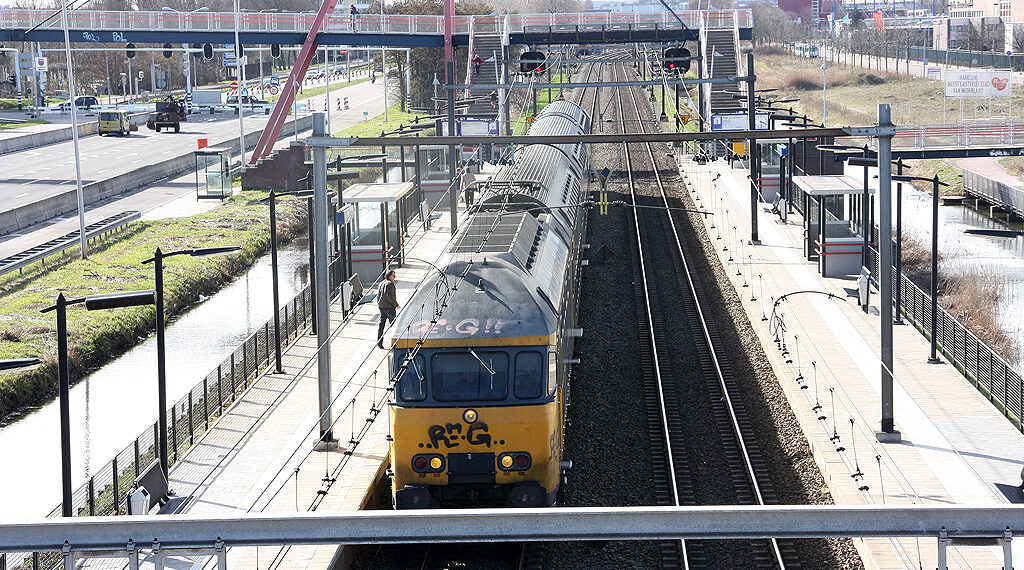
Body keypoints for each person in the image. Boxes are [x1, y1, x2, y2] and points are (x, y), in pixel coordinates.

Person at [377, 269, 400, 349]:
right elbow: (389, 296)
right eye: (393, 276)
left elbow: (378, 296)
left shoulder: (381, 283)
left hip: (382, 307)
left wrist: (379, 304)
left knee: (381, 325)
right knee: (393, 326)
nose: (394, 277)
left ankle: (379, 343)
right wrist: (396, 305)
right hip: (389, 308)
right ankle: (393, 343)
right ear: (389, 276)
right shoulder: (390, 284)